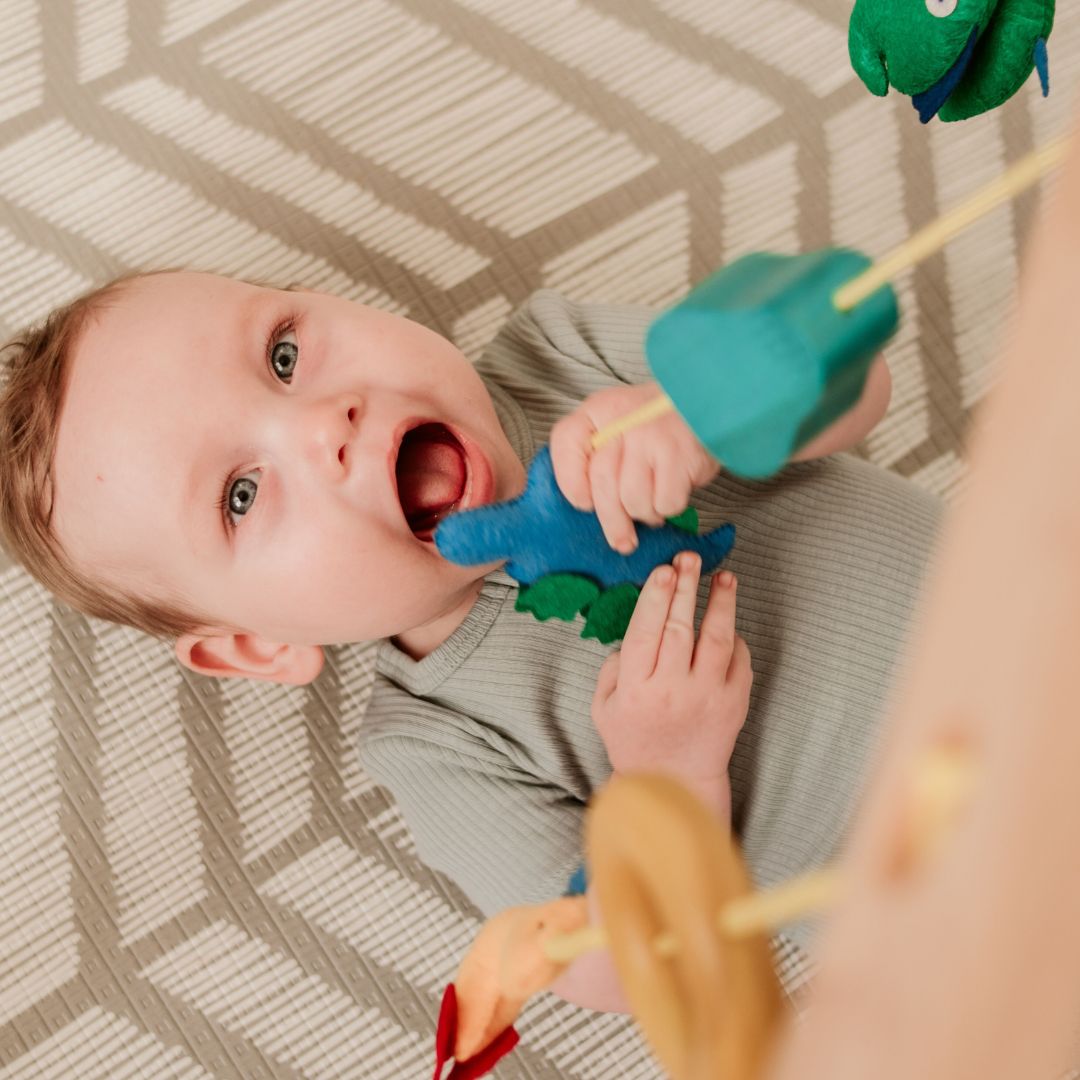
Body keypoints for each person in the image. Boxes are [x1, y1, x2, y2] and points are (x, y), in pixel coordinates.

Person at [0, 270, 940, 1010]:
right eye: (240, 495)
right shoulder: (438, 745)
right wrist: (668, 778)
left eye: (283, 356)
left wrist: (704, 415)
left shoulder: (559, 359)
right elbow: (617, 970)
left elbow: (861, 378)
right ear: (257, 646)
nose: (326, 425)